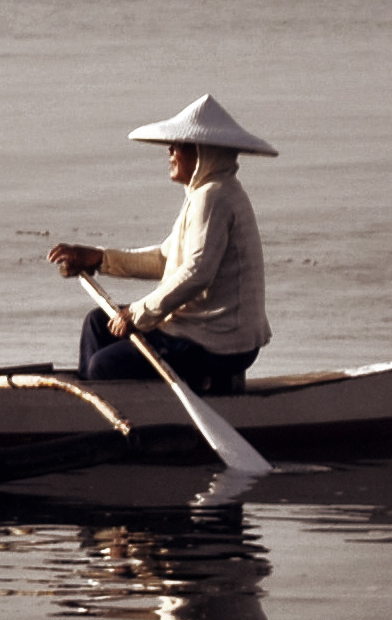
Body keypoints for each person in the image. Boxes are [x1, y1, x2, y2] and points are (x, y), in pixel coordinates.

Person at [46, 93, 275, 395]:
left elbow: (196, 274)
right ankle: (105, 395)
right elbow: (166, 260)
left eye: (179, 145)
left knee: (104, 365)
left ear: (203, 152)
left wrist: (138, 313)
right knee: (98, 324)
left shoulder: (214, 197)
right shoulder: (207, 192)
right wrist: (100, 259)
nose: (170, 151)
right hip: (198, 332)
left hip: (215, 342)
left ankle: (125, 403)